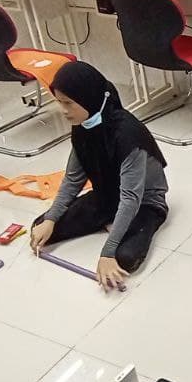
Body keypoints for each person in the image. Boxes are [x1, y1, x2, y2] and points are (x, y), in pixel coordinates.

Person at [29, 63, 168, 292]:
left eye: (68, 103)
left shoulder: (128, 134)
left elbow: (131, 198)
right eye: (59, 102)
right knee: (40, 226)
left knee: (124, 259)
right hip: (107, 194)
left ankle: (119, 224)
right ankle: (109, 221)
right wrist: (51, 219)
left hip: (144, 201)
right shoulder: (82, 124)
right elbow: (73, 180)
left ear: (88, 98)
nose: (63, 110)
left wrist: (108, 252)